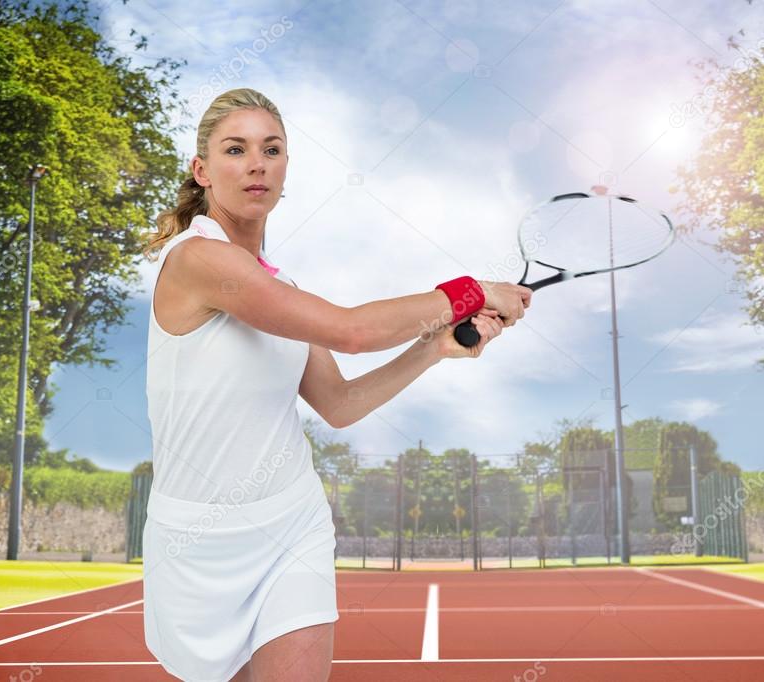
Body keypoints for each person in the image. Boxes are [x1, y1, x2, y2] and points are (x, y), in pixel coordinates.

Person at [140, 88, 531, 682]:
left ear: (286, 168)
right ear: (202, 170)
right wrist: (473, 291)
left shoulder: (284, 288)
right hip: (196, 541)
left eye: (272, 150)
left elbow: (340, 404)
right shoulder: (198, 259)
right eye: (236, 150)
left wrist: (431, 349)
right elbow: (351, 331)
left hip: (290, 521)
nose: (256, 164)